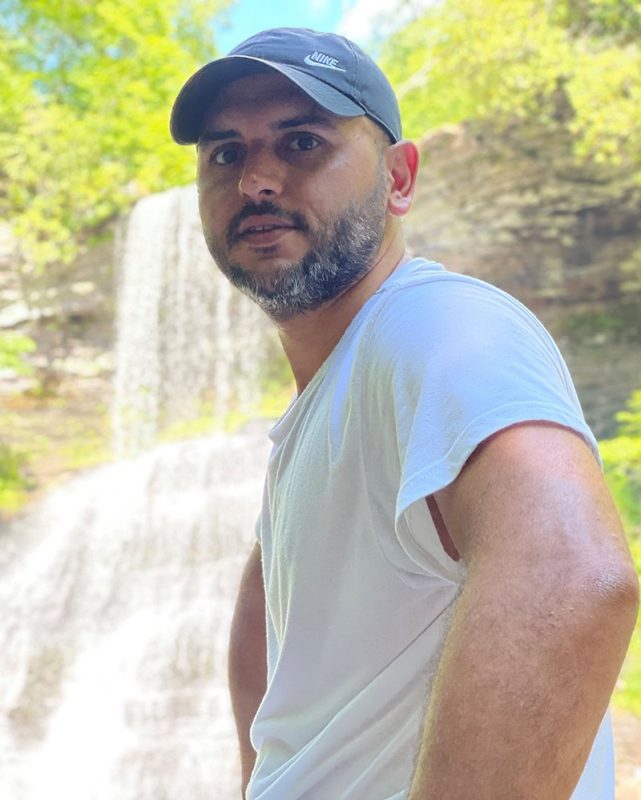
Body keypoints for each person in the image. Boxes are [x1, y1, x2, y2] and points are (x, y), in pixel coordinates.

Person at [170, 28, 639, 800]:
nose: (255, 179)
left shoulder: (439, 325)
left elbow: (575, 580)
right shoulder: (337, 394)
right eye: (225, 153)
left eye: (301, 143)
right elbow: (276, 630)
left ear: (398, 178)